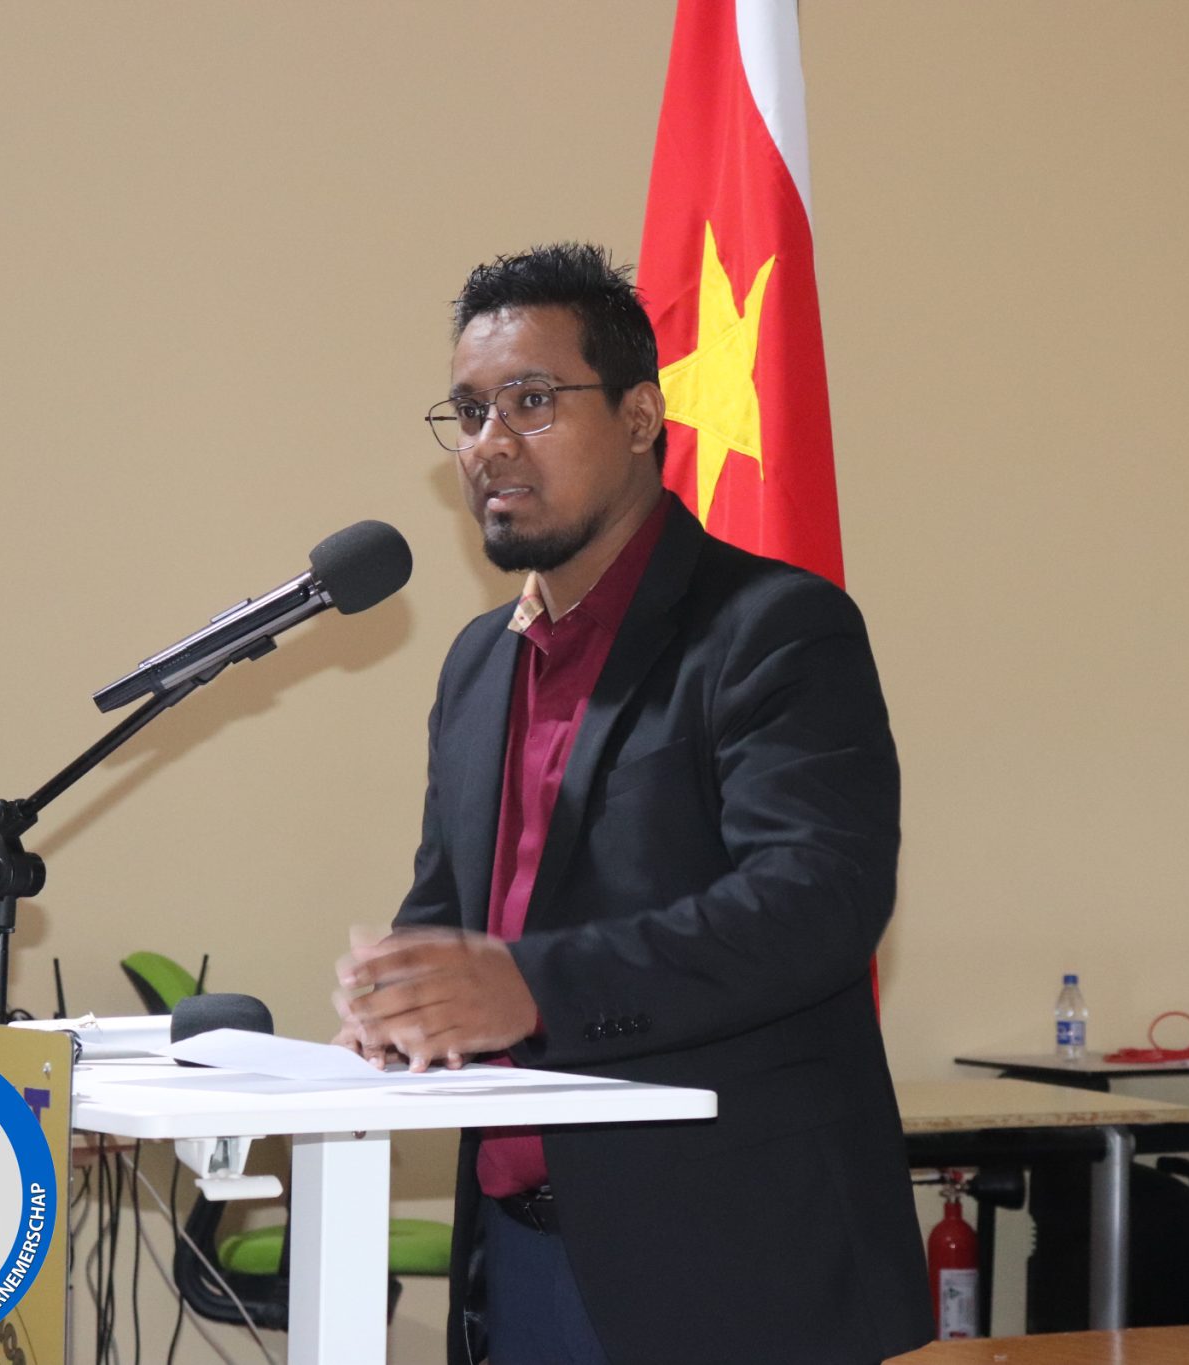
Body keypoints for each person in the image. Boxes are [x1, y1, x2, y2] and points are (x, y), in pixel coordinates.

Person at [334, 242, 930, 1365]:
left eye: (531, 400)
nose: (489, 442)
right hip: (517, 1254)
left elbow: (816, 903)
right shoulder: (478, 664)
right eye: (469, 411)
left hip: (733, 1267)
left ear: (642, 415)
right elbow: (452, 909)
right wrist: (400, 1000)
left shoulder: (771, 629)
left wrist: (529, 986)